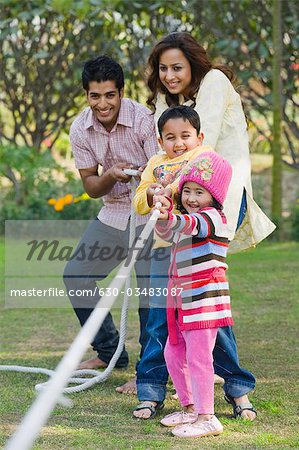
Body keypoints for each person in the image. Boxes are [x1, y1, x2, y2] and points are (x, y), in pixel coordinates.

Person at [133, 106, 257, 420]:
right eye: (170, 138)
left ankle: (237, 389)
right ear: (160, 141)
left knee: (213, 326)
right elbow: (140, 201)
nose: (178, 143)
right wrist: (151, 195)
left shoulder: (203, 158)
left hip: (198, 257)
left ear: (198, 137)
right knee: (159, 322)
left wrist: (169, 190)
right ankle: (150, 391)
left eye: (185, 136)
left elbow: (196, 184)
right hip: (166, 254)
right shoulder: (154, 164)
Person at [63, 55, 159, 393]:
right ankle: (109, 352)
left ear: (121, 92)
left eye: (110, 95)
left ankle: (150, 371)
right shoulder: (80, 128)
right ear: (87, 96)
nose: (103, 104)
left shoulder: (145, 121)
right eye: (95, 96)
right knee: (76, 274)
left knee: (150, 293)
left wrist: (139, 179)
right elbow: (90, 187)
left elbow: (161, 171)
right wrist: (110, 175)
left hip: (150, 214)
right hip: (113, 212)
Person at [153, 151, 233, 438]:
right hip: (180, 299)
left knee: (199, 357)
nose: (191, 198)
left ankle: (207, 416)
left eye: (200, 192)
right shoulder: (187, 217)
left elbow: (187, 225)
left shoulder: (213, 218)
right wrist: (162, 211)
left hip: (203, 298)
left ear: (214, 196)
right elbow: (166, 228)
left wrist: (172, 217)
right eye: (187, 190)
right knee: (172, 351)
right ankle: (189, 408)